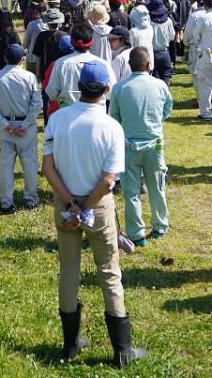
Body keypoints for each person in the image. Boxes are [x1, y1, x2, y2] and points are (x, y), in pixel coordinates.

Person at [42, 60, 145, 367]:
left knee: (69, 269)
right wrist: (85, 207)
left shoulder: (58, 119)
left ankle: (70, 344)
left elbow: (48, 168)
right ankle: (122, 350)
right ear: (106, 89)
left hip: (66, 204)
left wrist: (71, 206)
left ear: (79, 86)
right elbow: (107, 180)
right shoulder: (112, 127)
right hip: (97, 207)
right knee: (109, 271)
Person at [109, 47, 173, 248]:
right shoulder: (160, 85)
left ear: (129, 65)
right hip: (154, 145)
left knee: (131, 191)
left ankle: (137, 234)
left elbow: (114, 118)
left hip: (129, 147)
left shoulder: (119, 88)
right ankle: (160, 226)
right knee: (157, 187)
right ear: (149, 65)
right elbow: (167, 109)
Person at [0, 43, 43, 213]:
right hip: (26, 126)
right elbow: (36, 103)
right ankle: (31, 199)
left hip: (7, 127)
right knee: (30, 163)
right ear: (23, 59)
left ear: (4, 58)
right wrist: (25, 124)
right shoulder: (29, 77)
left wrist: (4, 124)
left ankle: (6, 202)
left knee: (5, 165)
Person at [45, 23, 116, 108]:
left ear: (71, 41)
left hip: (69, 115)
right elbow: (112, 93)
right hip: (97, 115)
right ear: (92, 42)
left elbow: (52, 94)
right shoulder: (103, 64)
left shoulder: (61, 63)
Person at [147, 0, 176, 85]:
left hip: (152, 53)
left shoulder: (149, 23)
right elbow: (172, 37)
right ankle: (166, 97)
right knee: (166, 78)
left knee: (154, 79)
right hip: (164, 53)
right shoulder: (168, 21)